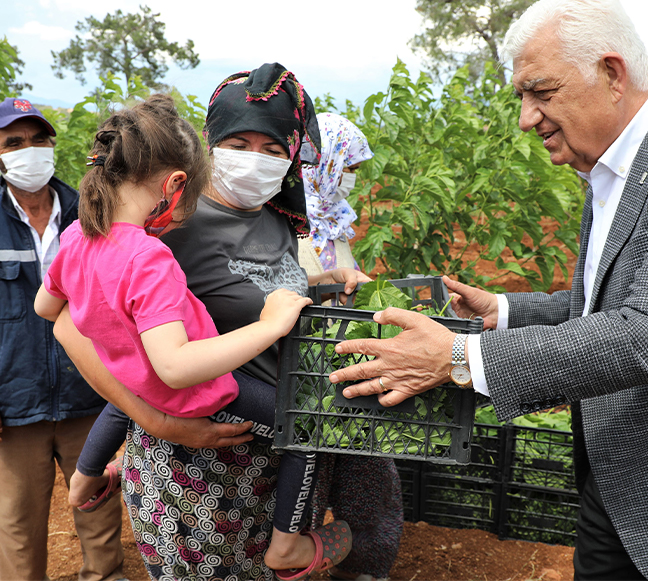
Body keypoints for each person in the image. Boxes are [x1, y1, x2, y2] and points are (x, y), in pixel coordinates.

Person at [328, 1, 648, 580]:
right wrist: (505, 311)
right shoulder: (609, 165)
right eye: (521, 96)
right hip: (612, 483)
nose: (525, 117)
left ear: (612, 74)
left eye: (541, 91)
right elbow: (606, 305)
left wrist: (459, 358)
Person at [52, 64, 369, 581]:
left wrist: (322, 283)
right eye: (240, 142)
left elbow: (253, 298)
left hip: (275, 458)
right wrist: (157, 421)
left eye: (273, 150)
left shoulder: (275, 214)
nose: (257, 161)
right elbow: (78, 323)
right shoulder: (168, 218)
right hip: (196, 470)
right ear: (211, 142)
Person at [0, 97, 125, 581]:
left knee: (96, 503)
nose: (29, 150)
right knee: (17, 520)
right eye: (14, 142)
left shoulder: (85, 212)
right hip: (15, 401)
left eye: (38, 140)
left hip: (87, 391)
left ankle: (105, 575)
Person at [299, 112, 403, 581]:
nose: (352, 179)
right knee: (303, 487)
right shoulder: (288, 220)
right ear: (323, 160)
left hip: (346, 379)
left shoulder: (334, 222)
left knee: (370, 481)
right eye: (349, 166)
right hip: (299, 389)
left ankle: (363, 564)